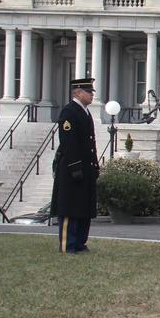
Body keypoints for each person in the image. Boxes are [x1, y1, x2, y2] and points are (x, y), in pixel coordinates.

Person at [51, 77, 99, 254]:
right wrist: (75, 167)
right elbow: (69, 143)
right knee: (70, 208)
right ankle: (68, 244)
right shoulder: (69, 112)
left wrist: (94, 166)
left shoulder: (85, 112)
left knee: (83, 207)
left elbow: (90, 143)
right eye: (88, 92)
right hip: (73, 169)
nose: (91, 95)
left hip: (86, 167)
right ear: (77, 92)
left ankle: (80, 242)